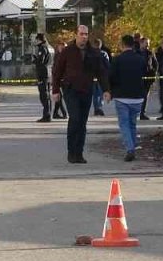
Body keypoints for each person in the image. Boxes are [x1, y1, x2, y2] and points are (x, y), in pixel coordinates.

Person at [51, 25, 109, 164]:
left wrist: (106, 90)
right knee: (75, 119)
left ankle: (79, 153)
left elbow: (101, 73)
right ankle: (71, 152)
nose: (84, 36)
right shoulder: (67, 51)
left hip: (86, 90)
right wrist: (55, 90)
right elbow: (57, 72)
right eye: (81, 34)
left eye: (86, 34)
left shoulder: (93, 52)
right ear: (76, 34)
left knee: (82, 123)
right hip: (71, 90)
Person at [109, 34, 148, 162]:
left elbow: (111, 76)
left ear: (122, 44)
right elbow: (146, 72)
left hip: (122, 96)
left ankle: (130, 148)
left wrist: (109, 91)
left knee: (124, 124)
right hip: (137, 96)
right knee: (132, 124)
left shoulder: (117, 60)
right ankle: (132, 146)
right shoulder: (140, 59)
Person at [33, 32, 52, 122]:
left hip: (43, 74)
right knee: (47, 95)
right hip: (48, 73)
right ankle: (48, 114)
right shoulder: (49, 47)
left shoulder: (42, 48)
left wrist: (35, 60)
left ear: (39, 39)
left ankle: (46, 115)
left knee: (44, 95)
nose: (35, 41)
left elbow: (41, 61)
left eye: (36, 39)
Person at [91, 37, 110, 116]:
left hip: (92, 76)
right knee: (100, 93)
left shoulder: (90, 54)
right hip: (101, 76)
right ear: (100, 45)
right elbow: (107, 64)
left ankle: (96, 108)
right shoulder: (103, 53)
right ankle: (99, 108)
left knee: (95, 94)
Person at [138, 36, 156, 120]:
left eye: (148, 44)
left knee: (145, 96)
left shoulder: (150, 53)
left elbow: (156, 64)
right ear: (141, 43)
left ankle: (142, 113)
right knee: (137, 96)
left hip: (148, 78)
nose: (147, 45)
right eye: (146, 43)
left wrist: (153, 74)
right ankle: (135, 113)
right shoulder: (136, 53)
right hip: (138, 78)